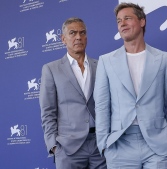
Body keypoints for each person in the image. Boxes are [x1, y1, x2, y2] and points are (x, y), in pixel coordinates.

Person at [94, 3, 167, 169]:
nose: (122, 23)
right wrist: (104, 144)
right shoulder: (106, 61)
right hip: (119, 144)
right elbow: (101, 105)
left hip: (157, 144)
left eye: (128, 18)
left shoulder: (163, 59)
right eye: (119, 20)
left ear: (142, 22)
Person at [40, 17, 106, 169]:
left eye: (82, 33)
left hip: (99, 145)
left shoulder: (101, 66)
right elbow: (48, 111)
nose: (78, 37)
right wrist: (54, 146)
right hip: (68, 148)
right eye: (73, 33)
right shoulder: (51, 69)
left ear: (86, 38)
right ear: (63, 39)